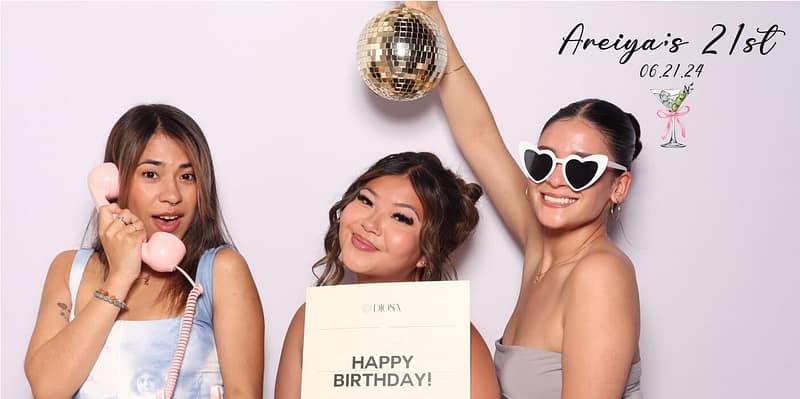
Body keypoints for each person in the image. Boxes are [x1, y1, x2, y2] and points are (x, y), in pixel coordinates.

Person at [406, 3, 645, 398]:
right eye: (543, 161)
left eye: (580, 169)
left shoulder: (599, 274)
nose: (555, 180)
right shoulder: (543, 247)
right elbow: (479, 136)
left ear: (618, 187)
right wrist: (426, 11)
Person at [25, 104, 264, 398]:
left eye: (187, 176)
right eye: (151, 174)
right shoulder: (68, 269)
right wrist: (121, 277)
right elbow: (47, 389)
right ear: (114, 183)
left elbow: (245, 393)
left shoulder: (220, 271)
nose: (172, 195)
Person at [274, 152, 500, 399]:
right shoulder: (309, 320)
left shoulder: (459, 338)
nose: (370, 224)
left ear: (427, 251)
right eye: (366, 201)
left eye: (400, 217)